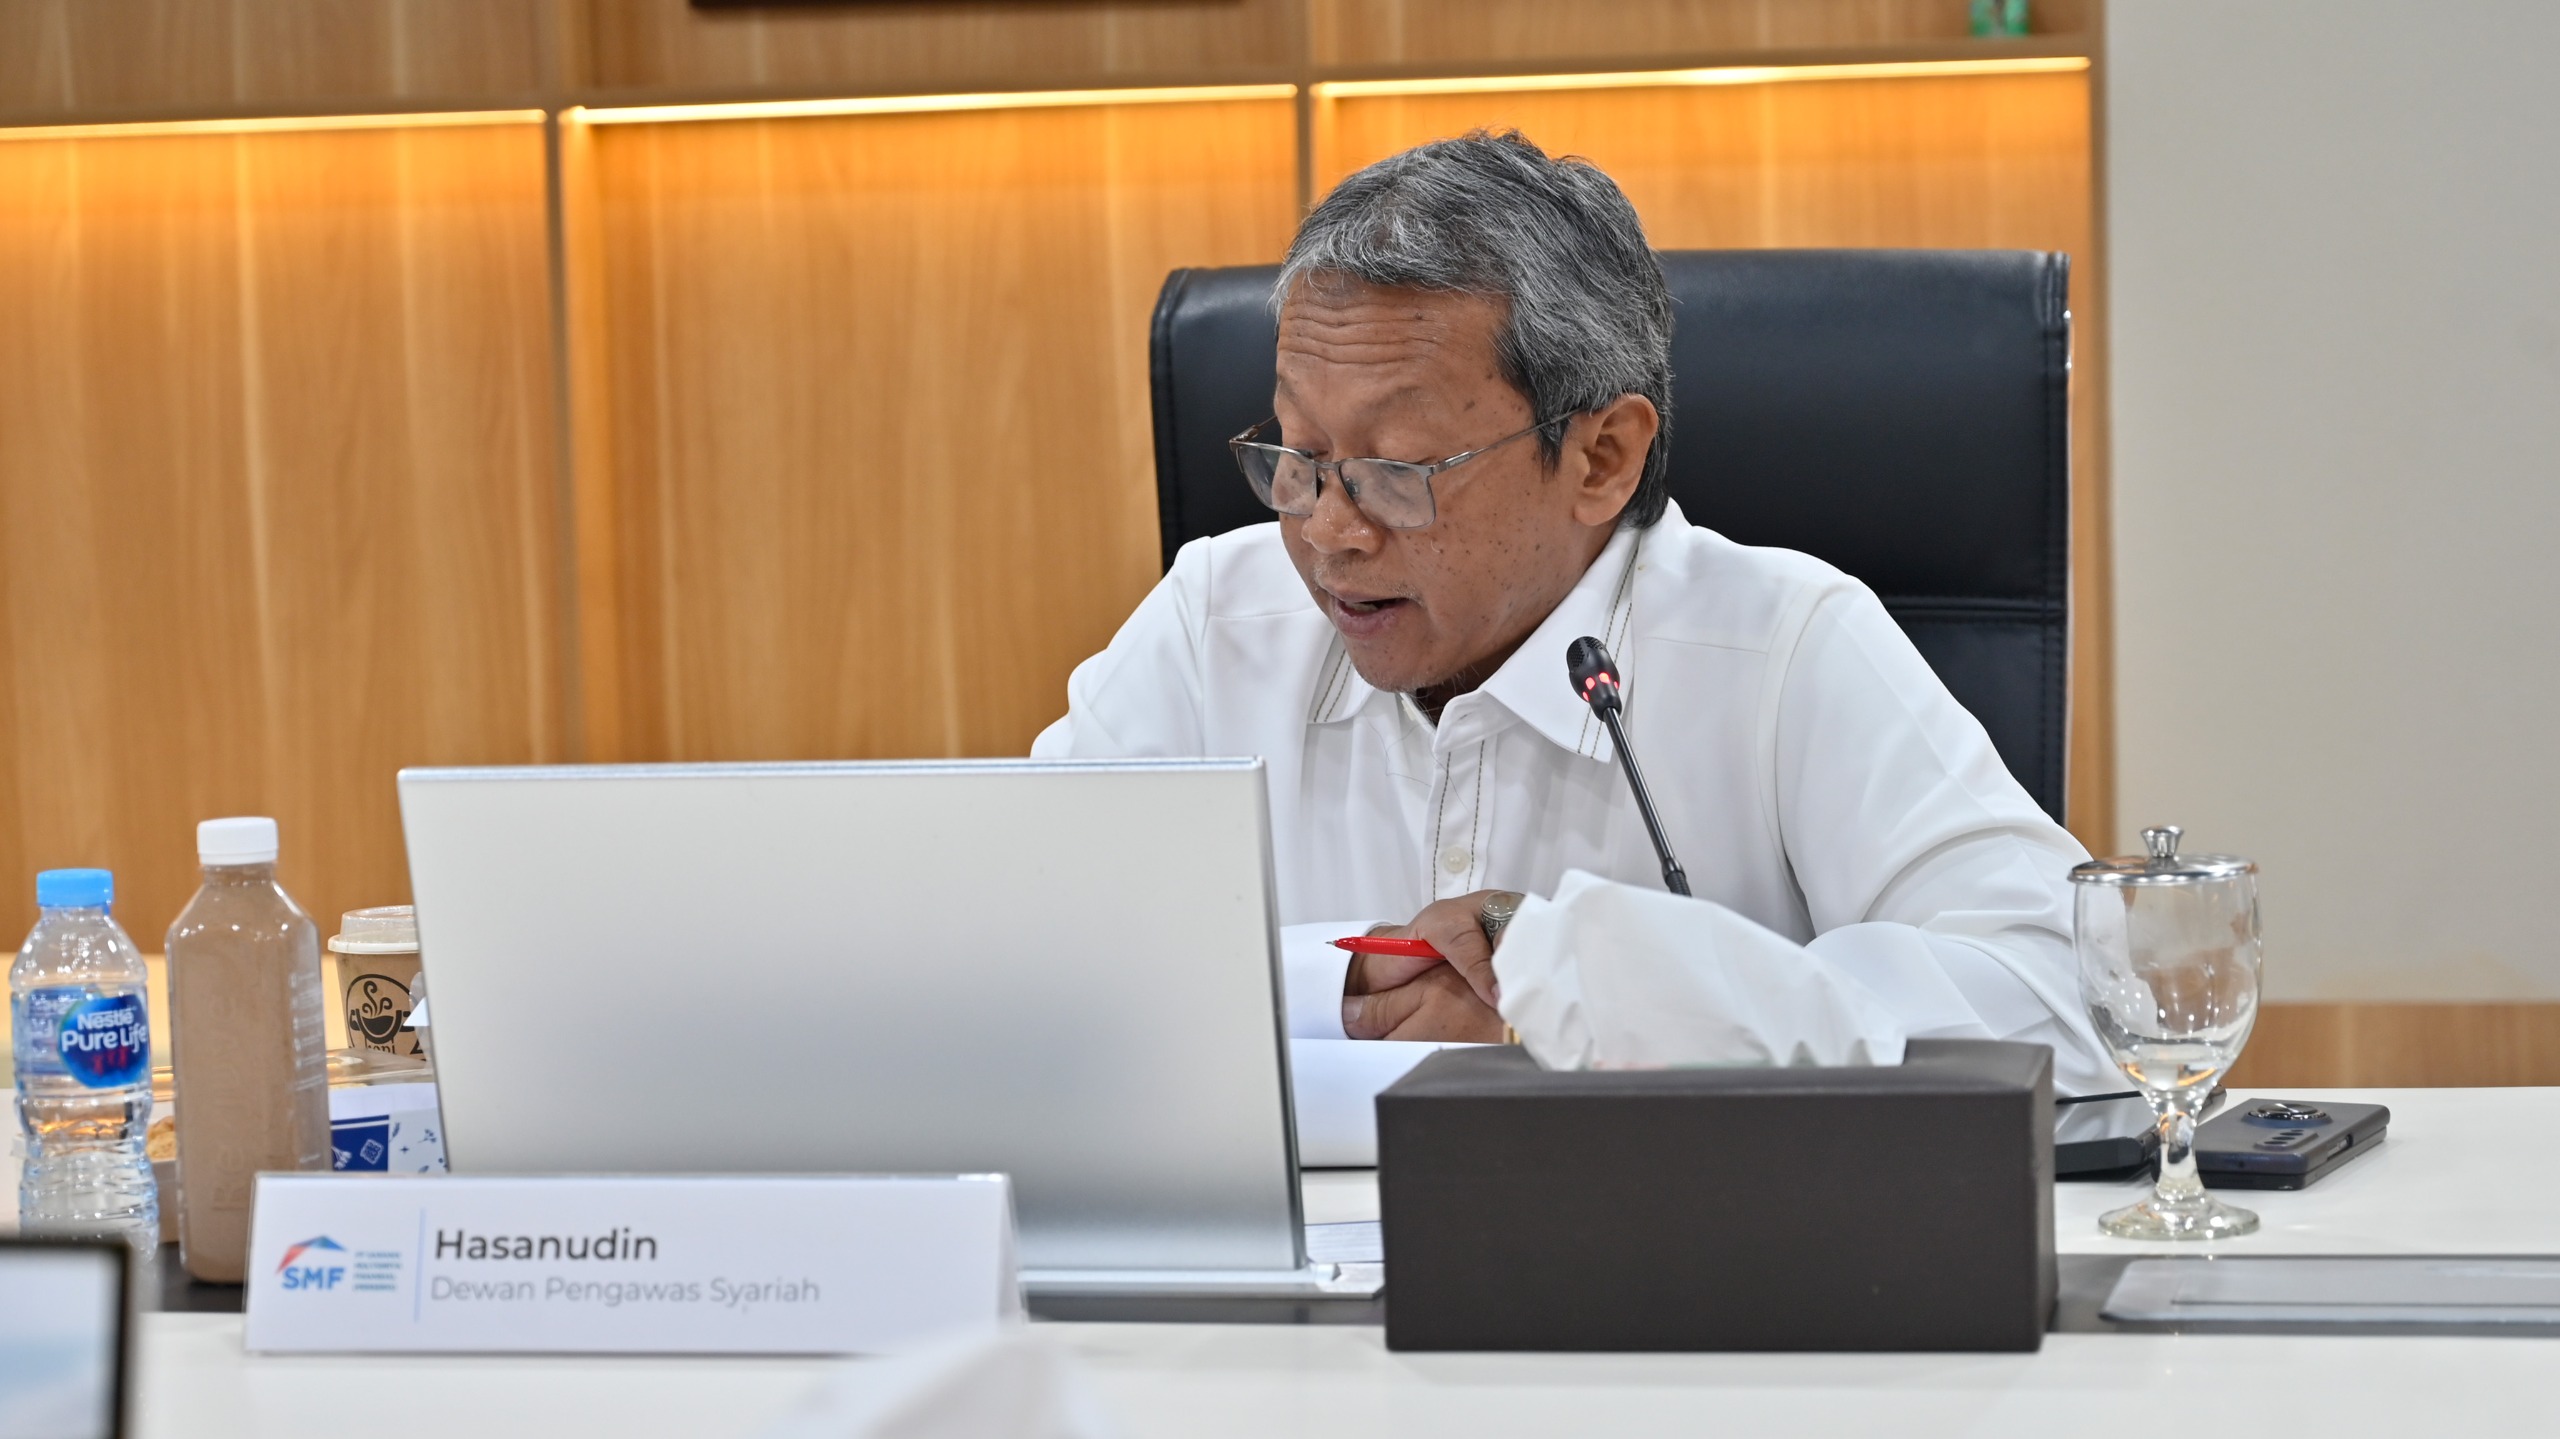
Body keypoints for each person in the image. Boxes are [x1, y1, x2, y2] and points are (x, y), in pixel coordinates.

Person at [1033, 130, 2114, 1094]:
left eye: (1395, 470)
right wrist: (1338, 983)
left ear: (1601, 457)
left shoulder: (1781, 647)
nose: (1328, 529)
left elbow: (2071, 1000)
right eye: (1298, 455)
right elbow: (1008, 953)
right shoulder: (1215, 623)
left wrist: (1593, 998)